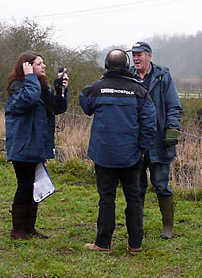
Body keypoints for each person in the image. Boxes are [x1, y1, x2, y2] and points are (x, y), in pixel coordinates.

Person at [79, 49, 156, 254]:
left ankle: (103, 243)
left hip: (103, 155)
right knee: (134, 199)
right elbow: (150, 124)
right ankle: (135, 244)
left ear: (106, 65)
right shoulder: (139, 91)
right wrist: (141, 149)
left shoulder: (96, 89)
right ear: (127, 65)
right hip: (131, 156)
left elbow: (85, 104)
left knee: (106, 199)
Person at [5, 51, 68, 240]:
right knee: (24, 185)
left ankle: (29, 227)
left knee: (34, 185)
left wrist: (60, 91)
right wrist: (31, 78)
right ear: (27, 66)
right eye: (39, 63)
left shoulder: (39, 87)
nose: (44, 66)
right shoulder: (17, 87)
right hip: (23, 144)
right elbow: (28, 101)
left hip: (38, 144)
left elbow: (57, 108)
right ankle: (17, 230)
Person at [127, 41, 183, 239]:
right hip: (135, 142)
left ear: (149, 55)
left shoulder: (162, 76)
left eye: (140, 54)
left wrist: (172, 128)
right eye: (133, 55)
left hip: (159, 141)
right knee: (136, 186)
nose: (136, 58)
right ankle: (136, 227)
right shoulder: (127, 76)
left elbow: (174, 105)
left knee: (161, 184)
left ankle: (168, 226)